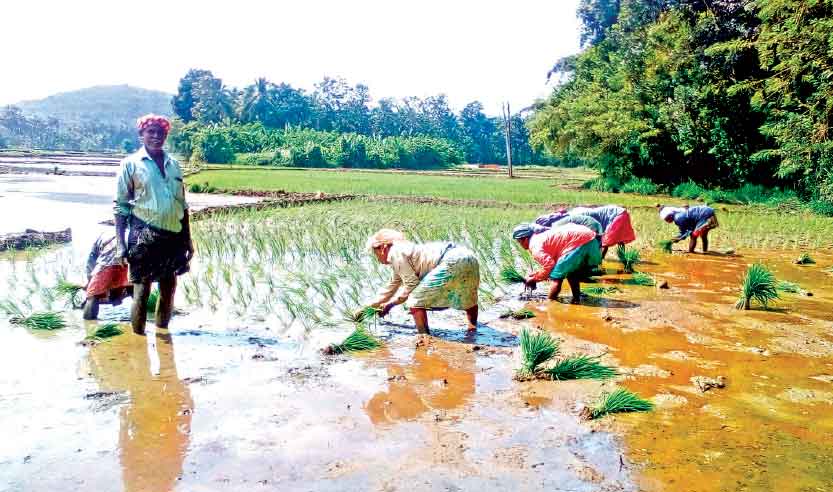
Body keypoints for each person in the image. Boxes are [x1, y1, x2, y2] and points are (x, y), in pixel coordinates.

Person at [114, 114, 194, 335]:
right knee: (142, 290)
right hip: (143, 235)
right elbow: (121, 207)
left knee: (169, 289)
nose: (156, 136)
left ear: (166, 135)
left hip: (174, 236)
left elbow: (183, 205)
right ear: (141, 135)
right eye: (151, 132)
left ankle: (162, 335)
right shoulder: (130, 165)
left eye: (161, 132)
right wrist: (120, 245)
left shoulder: (174, 165)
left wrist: (188, 239)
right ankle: (138, 341)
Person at [363, 229, 480, 335]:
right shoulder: (404, 251)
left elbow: (411, 285)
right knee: (468, 294)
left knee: (414, 301)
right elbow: (390, 287)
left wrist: (390, 305)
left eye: (375, 252)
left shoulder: (395, 253)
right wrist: (366, 309)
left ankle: (424, 336)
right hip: (468, 256)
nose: (377, 258)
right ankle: (472, 330)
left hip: (450, 260)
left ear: (383, 248)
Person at [512, 222, 602, 303]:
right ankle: (576, 299)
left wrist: (535, 279)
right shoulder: (539, 237)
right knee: (571, 273)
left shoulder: (534, 246)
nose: (520, 244)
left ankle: (550, 304)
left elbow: (549, 265)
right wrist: (536, 275)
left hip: (579, 242)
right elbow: (553, 263)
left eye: (519, 242)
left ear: (526, 239)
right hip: (591, 240)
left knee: (556, 278)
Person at [83, 231, 132, 320]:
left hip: (108, 264)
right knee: (137, 295)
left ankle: (88, 325)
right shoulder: (132, 231)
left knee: (92, 295)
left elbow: (91, 261)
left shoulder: (102, 235)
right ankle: (141, 326)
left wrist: (89, 281)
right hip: (130, 264)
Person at [568, 205, 636, 258]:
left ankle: (600, 261)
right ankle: (623, 258)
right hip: (622, 213)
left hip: (617, 216)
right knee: (620, 239)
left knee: (605, 242)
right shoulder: (579, 214)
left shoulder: (582, 217)